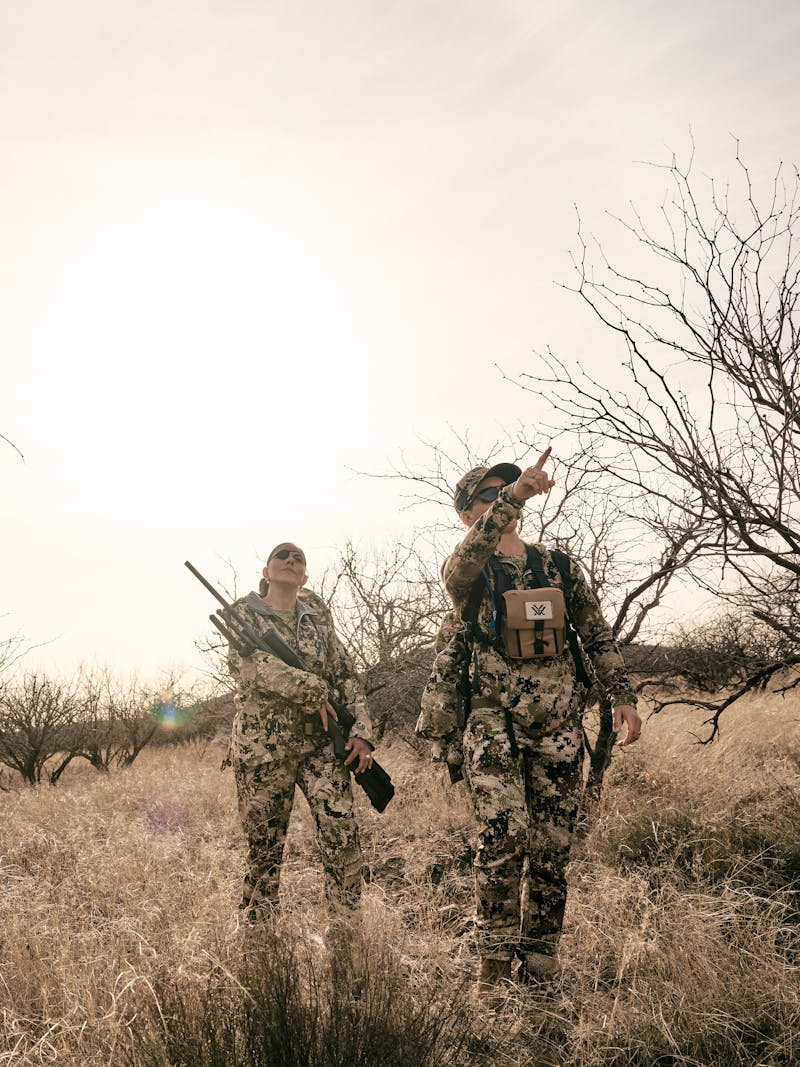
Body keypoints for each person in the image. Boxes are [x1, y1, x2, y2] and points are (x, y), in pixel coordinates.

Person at [425, 450, 640, 995]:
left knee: (552, 848)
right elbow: (460, 567)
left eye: (506, 491)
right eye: (488, 496)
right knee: (503, 838)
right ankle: (493, 975)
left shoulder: (559, 566)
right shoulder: (468, 573)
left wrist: (622, 695)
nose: (501, 499)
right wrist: (516, 495)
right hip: (493, 726)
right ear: (467, 514)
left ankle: (540, 969)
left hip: (559, 726)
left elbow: (595, 635)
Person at [226, 542, 375, 924]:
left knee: (343, 837)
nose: (291, 561)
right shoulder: (244, 614)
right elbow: (249, 666)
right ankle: (259, 940)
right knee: (264, 850)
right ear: (266, 570)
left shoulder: (317, 618)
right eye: (282, 555)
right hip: (263, 750)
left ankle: (347, 931)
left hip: (321, 746)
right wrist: (311, 689)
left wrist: (361, 731)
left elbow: (344, 673)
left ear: (305, 577)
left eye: (299, 559)